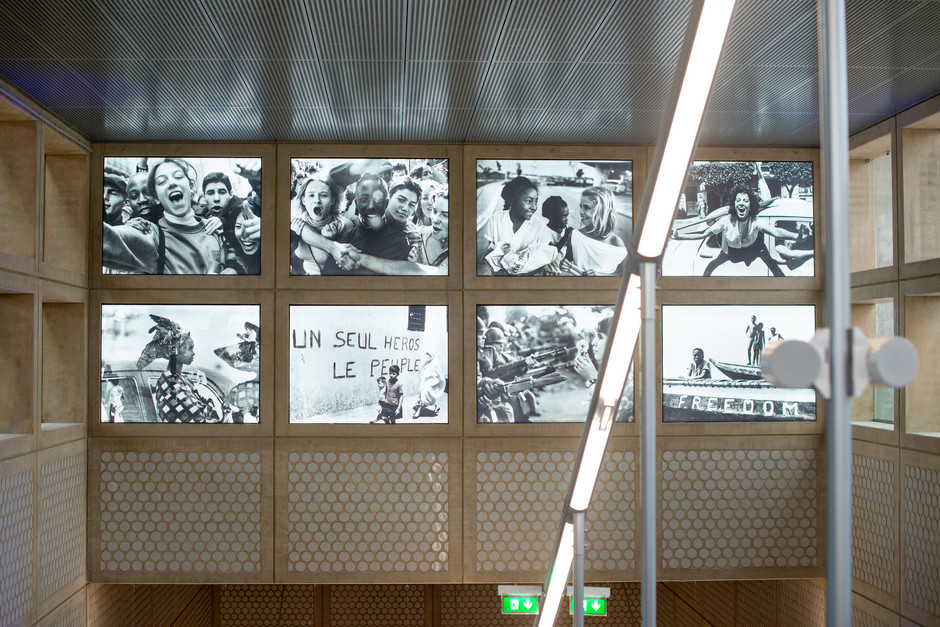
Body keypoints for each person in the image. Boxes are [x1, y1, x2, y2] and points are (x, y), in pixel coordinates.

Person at [102, 158, 224, 274]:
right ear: (155, 197)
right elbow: (104, 239)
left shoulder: (214, 229)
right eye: (162, 181)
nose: (171, 183)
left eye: (178, 176)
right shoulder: (151, 235)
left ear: (191, 186)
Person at [672, 186, 805, 277]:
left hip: (753, 250)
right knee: (709, 271)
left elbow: (775, 231)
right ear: (734, 205)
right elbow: (703, 233)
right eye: (738, 200)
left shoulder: (755, 221)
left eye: (745, 201)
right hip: (730, 252)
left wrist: (796, 236)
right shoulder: (725, 221)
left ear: (750, 205)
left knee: (777, 271)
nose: (741, 203)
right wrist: (679, 236)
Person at [137, 315, 224, 423]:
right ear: (176, 350)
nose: (193, 353)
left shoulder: (174, 379)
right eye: (189, 348)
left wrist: (195, 387)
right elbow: (197, 421)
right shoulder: (171, 382)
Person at [477, 176, 557, 275]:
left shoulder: (539, 226)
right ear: (512, 201)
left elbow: (541, 262)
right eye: (529, 201)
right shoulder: (496, 219)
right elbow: (488, 253)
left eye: (536, 201)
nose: (534, 207)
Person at [558, 186, 627, 276]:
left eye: (586, 207)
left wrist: (601, 276)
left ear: (602, 211)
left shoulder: (616, 243)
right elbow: (568, 260)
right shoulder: (575, 235)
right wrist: (563, 264)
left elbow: (623, 274)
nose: (581, 211)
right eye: (581, 206)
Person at [290, 175, 349, 274]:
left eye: (323, 195)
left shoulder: (344, 224)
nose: (317, 200)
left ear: (333, 200)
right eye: (311, 195)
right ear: (303, 200)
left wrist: (336, 237)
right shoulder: (296, 225)